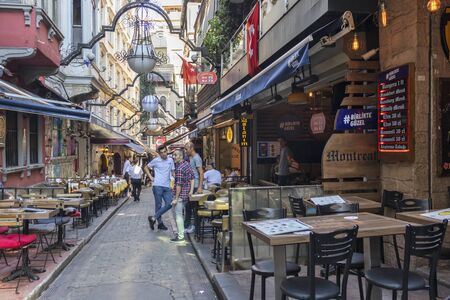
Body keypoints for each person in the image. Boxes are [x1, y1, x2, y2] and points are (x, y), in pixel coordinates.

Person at [145, 145, 175, 231]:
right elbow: (146, 167)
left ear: (167, 151)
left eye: (165, 152)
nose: (163, 154)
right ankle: (160, 224)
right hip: (157, 186)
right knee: (158, 205)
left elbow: (173, 172)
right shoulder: (156, 160)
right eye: (161, 153)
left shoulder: (171, 160)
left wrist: (178, 180)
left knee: (169, 204)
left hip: (167, 186)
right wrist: (151, 177)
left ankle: (153, 218)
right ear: (159, 153)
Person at [170, 149, 195, 242]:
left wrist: (176, 198)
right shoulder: (186, 164)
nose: (173, 157)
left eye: (175, 155)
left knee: (179, 215)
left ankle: (180, 236)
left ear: (180, 156)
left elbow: (179, 185)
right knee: (181, 214)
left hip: (180, 196)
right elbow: (192, 178)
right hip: (186, 195)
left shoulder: (180, 168)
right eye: (173, 155)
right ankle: (181, 234)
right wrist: (191, 191)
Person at [184, 142, 203, 233]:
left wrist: (199, 187)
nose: (185, 151)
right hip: (191, 185)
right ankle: (191, 226)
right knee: (190, 207)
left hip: (195, 186)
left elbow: (201, 173)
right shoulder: (191, 158)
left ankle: (191, 226)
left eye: (186, 149)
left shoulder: (196, 158)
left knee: (191, 206)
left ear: (191, 148)